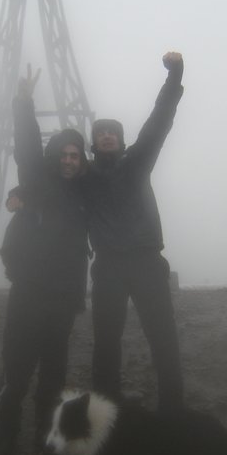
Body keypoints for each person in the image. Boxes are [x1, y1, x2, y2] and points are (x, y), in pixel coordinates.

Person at [0, 66, 89, 455]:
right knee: (16, 376)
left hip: (63, 300)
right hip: (28, 294)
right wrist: (23, 103)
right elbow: (27, 146)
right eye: (63, 154)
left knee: (51, 381)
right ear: (54, 157)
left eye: (74, 155)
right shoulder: (38, 178)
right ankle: (3, 438)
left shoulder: (85, 190)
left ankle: (44, 445)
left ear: (81, 160)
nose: (68, 160)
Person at [84, 51, 185, 419]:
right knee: (106, 342)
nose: (107, 136)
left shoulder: (137, 163)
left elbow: (158, 122)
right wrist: (21, 194)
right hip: (109, 266)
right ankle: (105, 409)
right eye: (101, 133)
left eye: (113, 132)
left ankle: (173, 410)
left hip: (146, 261)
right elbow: (51, 178)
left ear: (121, 141)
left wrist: (174, 78)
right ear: (93, 144)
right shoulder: (85, 179)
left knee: (163, 338)